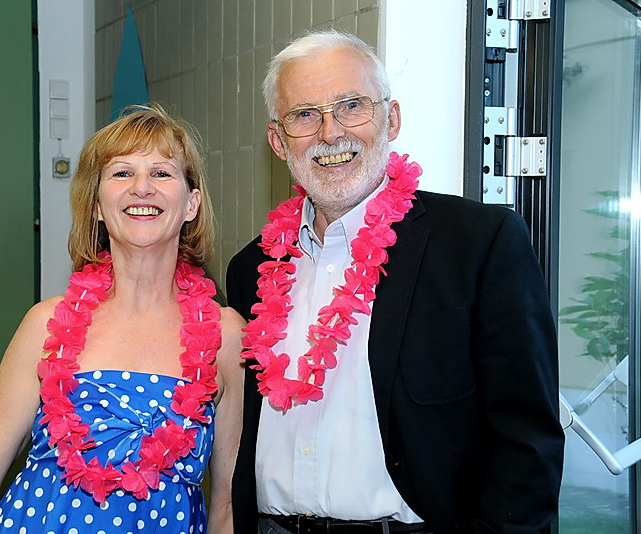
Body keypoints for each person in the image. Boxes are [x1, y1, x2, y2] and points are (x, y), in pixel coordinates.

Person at [226, 30, 564, 534]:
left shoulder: (478, 243)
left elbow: (527, 437)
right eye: (305, 115)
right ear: (278, 141)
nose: (330, 133)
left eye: (351, 106)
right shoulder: (250, 269)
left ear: (392, 118)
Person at [0, 104, 244, 534]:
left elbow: (227, 506)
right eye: (121, 173)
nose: (141, 188)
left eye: (161, 173)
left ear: (191, 203)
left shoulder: (226, 335)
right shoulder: (47, 325)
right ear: (97, 205)